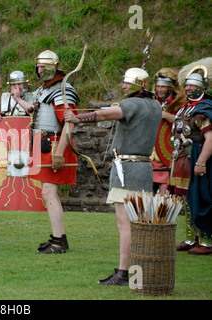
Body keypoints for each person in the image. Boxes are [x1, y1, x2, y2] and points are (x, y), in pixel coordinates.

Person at [65, 67, 161, 285]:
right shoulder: (155, 105)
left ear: (140, 84)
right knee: (140, 222)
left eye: (128, 83)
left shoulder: (130, 105)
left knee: (124, 223)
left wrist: (77, 119)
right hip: (144, 169)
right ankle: (141, 272)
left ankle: (123, 273)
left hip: (126, 170)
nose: (124, 86)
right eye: (124, 82)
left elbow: (107, 114)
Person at [12, 50, 79, 254]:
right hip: (45, 146)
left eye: (44, 67)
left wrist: (58, 153)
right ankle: (60, 238)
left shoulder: (61, 91)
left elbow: (69, 123)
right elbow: (33, 110)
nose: (40, 71)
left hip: (55, 146)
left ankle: (57, 242)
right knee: (49, 194)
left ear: (55, 67)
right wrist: (17, 98)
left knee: (49, 193)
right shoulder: (46, 90)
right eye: (38, 67)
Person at [176, 65, 212, 255]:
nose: (188, 88)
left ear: (203, 88)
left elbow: (210, 138)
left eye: (193, 86)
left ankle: (207, 241)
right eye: (187, 85)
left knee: (203, 197)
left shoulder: (204, 108)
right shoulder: (185, 108)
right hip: (184, 158)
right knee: (189, 199)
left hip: (199, 159)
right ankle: (192, 238)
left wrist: (202, 162)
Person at [151, 68, 186, 194]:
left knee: (164, 192)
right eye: (157, 86)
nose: (159, 90)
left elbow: (185, 124)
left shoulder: (180, 104)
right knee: (145, 193)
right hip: (150, 153)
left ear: (171, 88)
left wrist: (167, 115)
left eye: (163, 87)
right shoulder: (151, 101)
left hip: (168, 152)